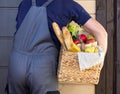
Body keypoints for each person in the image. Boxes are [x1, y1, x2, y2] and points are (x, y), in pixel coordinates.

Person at [8, 0, 108, 94]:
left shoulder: (25, 2)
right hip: (43, 68)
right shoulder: (68, 4)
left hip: (16, 64)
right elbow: (101, 33)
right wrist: (99, 64)